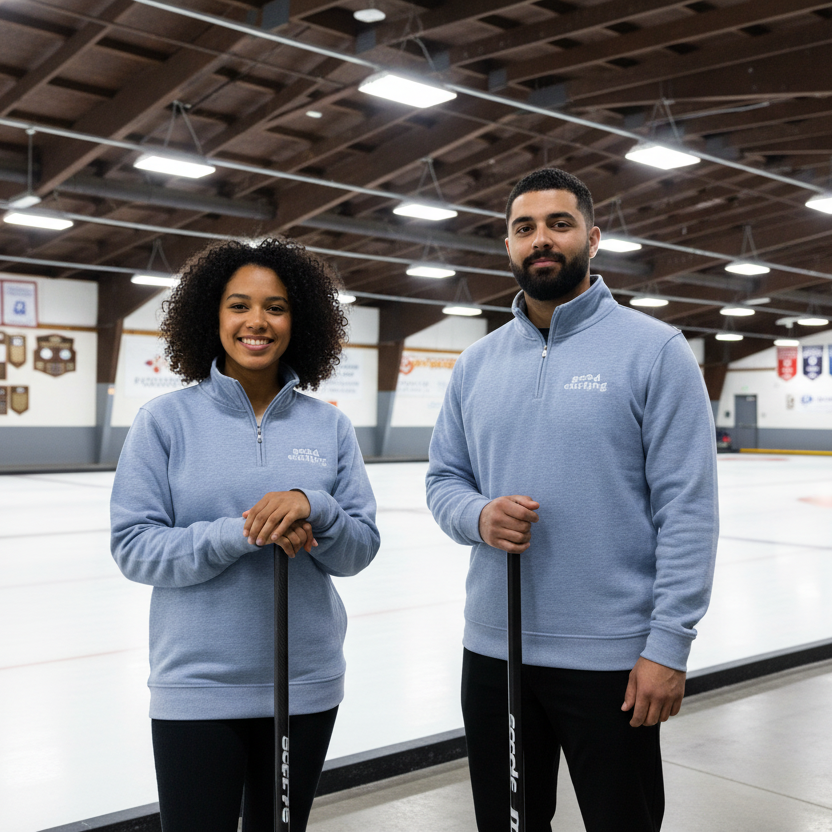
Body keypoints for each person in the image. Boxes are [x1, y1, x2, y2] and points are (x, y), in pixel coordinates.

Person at [426, 168, 718, 832]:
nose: (541, 240)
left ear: (593, 236)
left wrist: (668, 646)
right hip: (496, 655)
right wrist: (478, 515)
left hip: (613, 661)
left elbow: (688, 510)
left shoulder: (653, 352)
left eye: (559, 223)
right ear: (507, 245)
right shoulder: (477, 365)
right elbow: (443, 480)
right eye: (524, 228)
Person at [110, 238, 380, 832]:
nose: (257, 322)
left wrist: (319, 507)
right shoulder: (164, 421)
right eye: (238, 306)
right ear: (213, 315)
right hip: (198, 687)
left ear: (297, 320)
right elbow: (133, 546)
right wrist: (242, 533)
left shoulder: (328, 425)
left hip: (304, 686)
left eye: (276, 307)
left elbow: (360, 547)